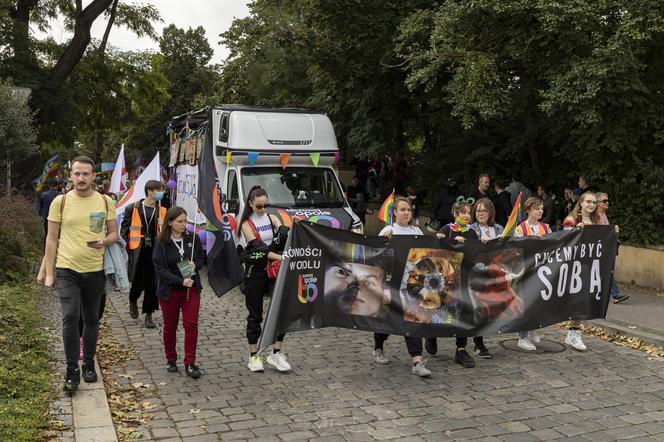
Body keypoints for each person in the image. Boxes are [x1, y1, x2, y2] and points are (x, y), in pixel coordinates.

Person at [38, 156, 118, 394]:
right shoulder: (60, 202)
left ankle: (89, 363)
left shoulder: (105, 202)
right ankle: (72, 370)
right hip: (67, 270)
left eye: (86, 174)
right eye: (77, 174)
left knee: (92, 319)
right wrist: (50, 272)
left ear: (93, 176)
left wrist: (104, 240)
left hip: (95, 270)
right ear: (70, 176)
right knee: (70, 317)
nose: (81, 178)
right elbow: (51, 239)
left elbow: (114, 234)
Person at [373, 196, 431, 377]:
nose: (406, 213)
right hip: (390, 284)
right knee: (385, 321)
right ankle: (378, 346)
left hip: (410, 286)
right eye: (402, 209)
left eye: (409, 210)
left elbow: (424, 255)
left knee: (412, 320)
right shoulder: (388, 230)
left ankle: (417, 361)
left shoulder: (417, 231)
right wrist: (386, 242)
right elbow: (377, 255)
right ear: (395, 212)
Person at [238, 186, 291, 373]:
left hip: (274, 271)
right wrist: (281, 257)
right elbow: (258, 248)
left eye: (266, 205)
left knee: (281, 309)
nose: (263, 209)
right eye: (259, 206)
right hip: (255, 272)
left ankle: (276, 353)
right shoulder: (245, 223)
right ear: (250, 204)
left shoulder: (272, 218)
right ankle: (254, 356)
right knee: (255, 315)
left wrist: (288, 231)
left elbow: (286, 236)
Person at [152, 206, 205, 378]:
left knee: (191, 324)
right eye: (180, 222)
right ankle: (171, 359)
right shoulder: (162, 242)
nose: (184, 225)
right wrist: (179, 280)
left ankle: (190, 362)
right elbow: (160, 269)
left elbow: (201, 258)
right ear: (170, 222)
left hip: (191, 289)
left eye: (185, 221)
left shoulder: (193, 238)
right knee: (170, 326)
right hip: (170, 291)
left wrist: (195, 265)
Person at [433, 200, 485, 368]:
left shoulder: (472, 233)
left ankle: (461, 349)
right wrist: (440, 238)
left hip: (464, 279)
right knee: (440, 310)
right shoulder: (447, 229)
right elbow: (436, 250)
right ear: (455, 214)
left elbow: (476, 254)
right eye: (463, 212)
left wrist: (480, 243)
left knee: (464, 311)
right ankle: (431, 335)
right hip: (446, 280)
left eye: (469, 213)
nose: (467, 216)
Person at [120, 180, 166, 328]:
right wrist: (121, 249)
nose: (162, 193)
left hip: (156, 250)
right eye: (159, 190)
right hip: (138, 251)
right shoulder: (132, 208)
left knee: (152, 284)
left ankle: (149, 314)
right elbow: (124, 230)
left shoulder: (163, 210)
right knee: (138, 282)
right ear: (150, 191)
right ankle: (133, 300)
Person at [561, 191, 600, 351]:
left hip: (589, 265)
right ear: (581, 203)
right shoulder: (571, 219)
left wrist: (613, 233)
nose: (591, 205)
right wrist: (574, 231)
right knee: (576, 299)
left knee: (583, 299)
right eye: (588, 202)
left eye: (594, 202)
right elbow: (562, 240)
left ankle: (573, 333)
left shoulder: (596, 220)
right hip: (572, 266)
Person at [512, 197, 552, 351]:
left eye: (541, 208)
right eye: (537, 208)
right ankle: (522, 336)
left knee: (537, 301)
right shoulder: (520, 229)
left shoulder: (546, 228)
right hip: (525, 271)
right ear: (528, 210)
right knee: (525, 302)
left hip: (541, 270)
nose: (540, 211)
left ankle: (532, 328)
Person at [596, 192, 629, 304]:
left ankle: (611, 295)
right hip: (597, 249)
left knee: (606, 271)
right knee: (605, 271)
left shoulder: (603, 214)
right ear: (598, 203)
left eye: (607, 200)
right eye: (604, 201)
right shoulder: (594, 216)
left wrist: (613, 230)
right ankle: (614, 295)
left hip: (606, 247)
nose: (607, 202)